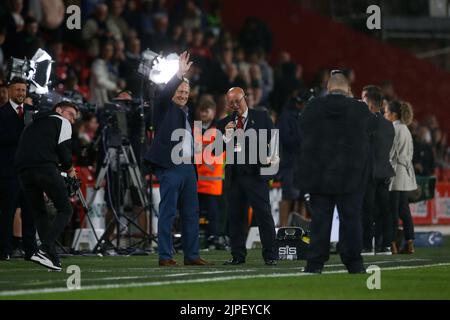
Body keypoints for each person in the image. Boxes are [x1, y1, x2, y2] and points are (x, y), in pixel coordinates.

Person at [297, 74, 376, 274]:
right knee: (351, 219)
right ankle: (354, 264)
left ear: (328, 87)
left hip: (320, 174)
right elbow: (371, 131)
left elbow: (302, 128)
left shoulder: (314, 107)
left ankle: (314, 264)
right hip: (351, 176)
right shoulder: (360, 109)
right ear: (348, 90)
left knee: (320, 219)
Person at [144, 52, 211, 267]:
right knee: (169, 212)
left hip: (188, 167)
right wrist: (179, 74)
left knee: (192, 213)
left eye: (185, 91)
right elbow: (163, 94)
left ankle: (191, 255)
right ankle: (165, 255)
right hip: (171, 166)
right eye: (179, 91)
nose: (182, 94)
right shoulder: (164, 107)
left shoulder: (187, 112)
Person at [217, 87, 278, 266]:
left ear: (246, 98)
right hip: (234, 177)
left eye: (238, 100)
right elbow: (215, 150)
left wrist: (272, 160)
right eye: (232, 103)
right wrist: (227, 138)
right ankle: (237, 255)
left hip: (256, 175)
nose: (235, 105)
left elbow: (274, 141)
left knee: (263, 215)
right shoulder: (224, 123)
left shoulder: (261, 117)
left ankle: (271, 255)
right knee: (236, 217)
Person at [15, 101, 79, 271]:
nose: (72, 120)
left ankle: (52, 257)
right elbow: (64, 150)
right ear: (58, 110)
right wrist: (70, 170)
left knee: (39, 212)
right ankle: (44, 250)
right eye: (70, 114)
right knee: (65, 209)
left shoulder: (31, 123)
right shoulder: (61, 121)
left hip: (23, 171)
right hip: (45, 168)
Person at [0, 77, 37, 262]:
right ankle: (4, 249)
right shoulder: (1, 113)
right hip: (8, 173)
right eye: (18, 90)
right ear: (9, 91)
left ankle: (31, 251)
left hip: (29, 173)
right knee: (6, 213)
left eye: (23, 90)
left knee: (31, 213)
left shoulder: (32, 113)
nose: (21, 93)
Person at [360, 86, 395, 255]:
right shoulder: (389, 125)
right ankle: (385, 245)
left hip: (370, 173)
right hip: (385, 171)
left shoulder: (366, 123)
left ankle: (367, 245)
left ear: (372, 105)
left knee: (367, 210)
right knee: (384, 210)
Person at [384, 100, 417, 254]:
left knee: (392, 211)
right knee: (404, 210)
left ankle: (392, 245)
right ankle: (410, 243)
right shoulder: (406, 129)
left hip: (395, 172)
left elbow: (390, 152)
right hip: (405, 173)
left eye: (386, 112)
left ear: (393, 114)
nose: (385, 115)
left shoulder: (393, 128)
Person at [196, 97, 224, 249]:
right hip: (198, 180)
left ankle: (213, 236)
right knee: (197, 212)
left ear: (213, 112)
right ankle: (199, 236)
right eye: (202, 110)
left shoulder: (218, 130)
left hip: (212, 180)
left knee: (213, 212)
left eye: (207, 110)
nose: (204, 114)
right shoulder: (196, 129)